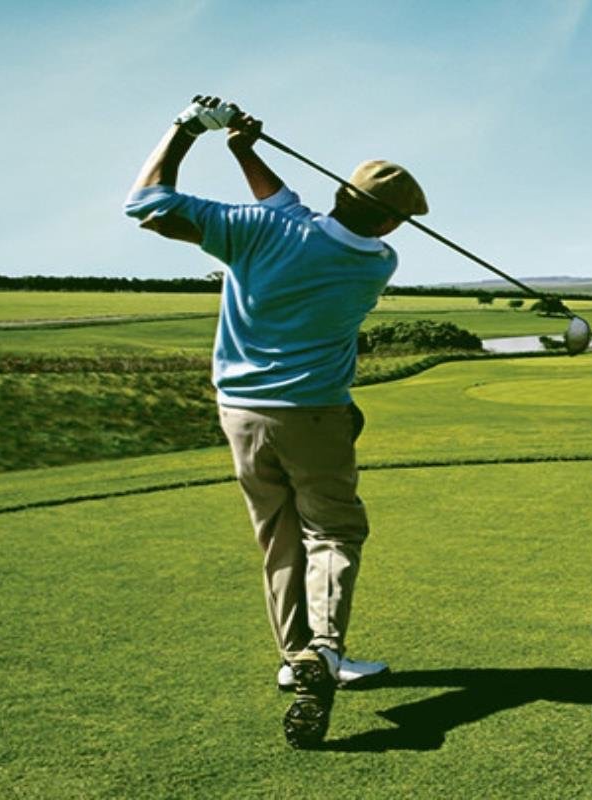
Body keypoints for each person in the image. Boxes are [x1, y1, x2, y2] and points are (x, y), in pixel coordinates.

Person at [123, 95, 428, 749]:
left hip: (240, 414)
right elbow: (290, 210)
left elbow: (147, 203)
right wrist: (243, 150)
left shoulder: (263, 232)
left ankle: (300, 661)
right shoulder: (377, 263)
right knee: (334, 534)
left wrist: (187, 131)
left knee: (279, 539)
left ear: (341, 194)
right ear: (392, 224)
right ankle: (322, 649)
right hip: (316, 415)